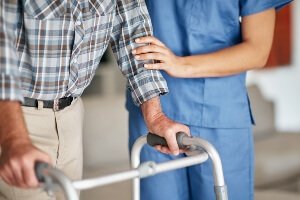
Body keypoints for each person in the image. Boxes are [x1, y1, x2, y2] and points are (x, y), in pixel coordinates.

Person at [0, 0, 189, 199]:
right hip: (14, 116)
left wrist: (156, 116)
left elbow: (133, 31)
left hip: (71, 115)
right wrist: (14, 139)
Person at [127, 0, 293, 200]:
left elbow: (257, 51)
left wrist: (181, 65)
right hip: (151, 110)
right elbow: (123, 22)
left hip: (218, 114)